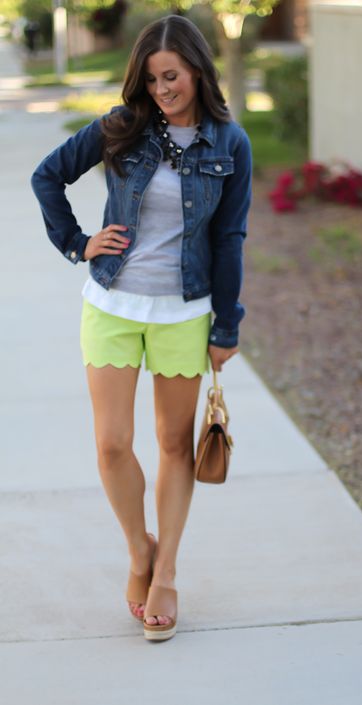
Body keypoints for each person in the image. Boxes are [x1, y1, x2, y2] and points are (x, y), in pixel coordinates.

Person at [31, 14, 252, 642]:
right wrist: (79, 244)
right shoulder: (121, 127)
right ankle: (139, 551)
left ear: (199, 70)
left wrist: (227, 326)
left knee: (175, 445)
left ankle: (168, 573)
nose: (162, 89)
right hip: (112, 306)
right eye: (152, 79)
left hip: (184, 311)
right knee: (111, 445)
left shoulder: (229, 143)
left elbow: (230, 238)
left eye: (173, 76)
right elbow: (47, 176)